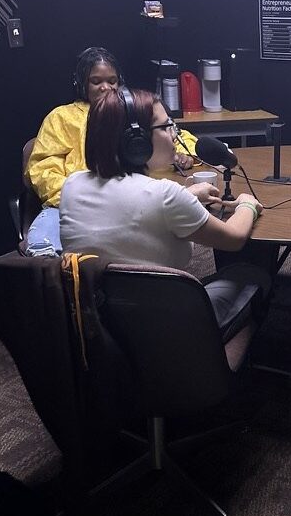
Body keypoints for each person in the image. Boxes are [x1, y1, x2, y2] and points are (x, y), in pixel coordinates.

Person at [59, 87, 270, 340]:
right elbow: (233, 238)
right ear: (135, 140)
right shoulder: (166, 195)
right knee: (254, 275)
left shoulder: (72, 185)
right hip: (168, 332)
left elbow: (132, 208)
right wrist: (247, 203)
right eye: (167, 127)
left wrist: (188, 195)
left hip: (101, 327)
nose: (174, 136)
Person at [25, 47, 198, 256]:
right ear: (81, 83)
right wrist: (82, 199)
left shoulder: (128, 114)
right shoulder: (60, 118)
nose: (105, 87)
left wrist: (184, 154)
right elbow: (43, 170)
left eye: (112, 81)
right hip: (68, 205)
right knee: (44, 253)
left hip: (127, 200)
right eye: (96, 81)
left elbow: (168, 132)